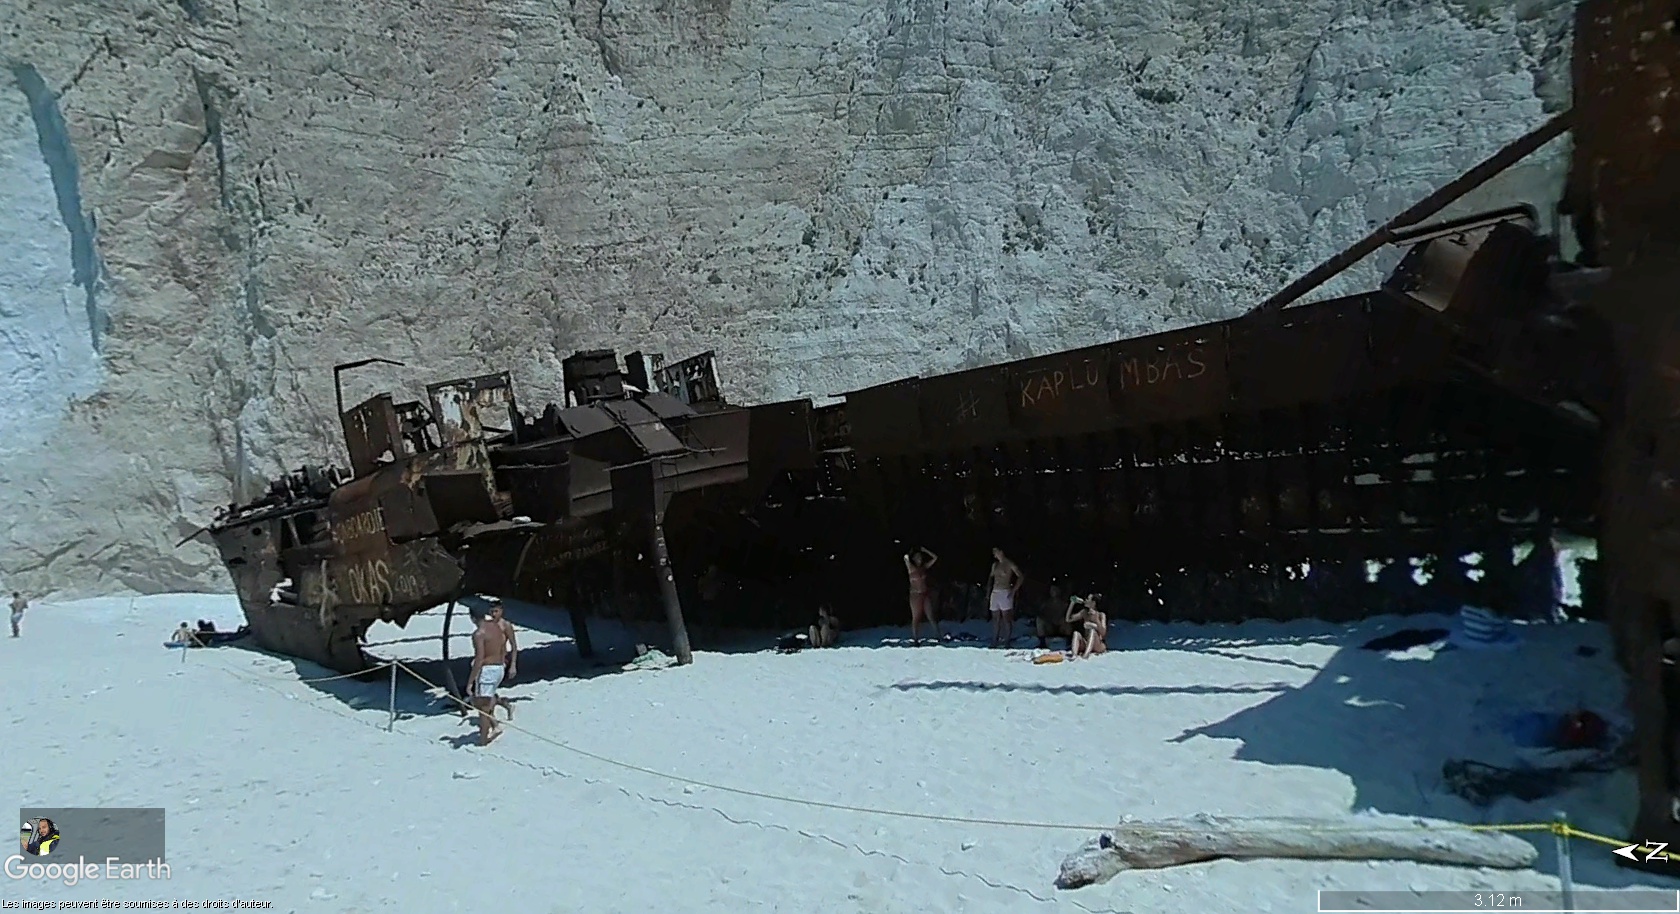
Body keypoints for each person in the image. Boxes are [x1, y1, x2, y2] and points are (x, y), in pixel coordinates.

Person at [468, 601, 517, 746]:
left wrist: (470, 681)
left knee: (482, 706)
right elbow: (503, 646)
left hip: (488, 670)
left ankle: (484, 739)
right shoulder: (496, 627)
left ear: (472, 618)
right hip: (499, 667)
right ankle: (496, 723)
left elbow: (479, 658)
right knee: (484, 701)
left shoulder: (479, 634)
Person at [987, 547, 1024, 648]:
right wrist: (988, 592)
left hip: (1005, 591)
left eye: (996, 552)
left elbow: (1020, 576)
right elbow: (991, 579)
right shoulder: (995, 565)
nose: (995, 554)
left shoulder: (1009, 564)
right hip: (995, 592)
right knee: (995, 618)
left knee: (1006, 618)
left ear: (1001, 552)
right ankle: (995, 640)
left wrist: (1014, 590)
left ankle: (1007, 641)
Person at [904, 547, 941, 643]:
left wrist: (925, 550)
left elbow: (935, 558)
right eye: (917, 558)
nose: (919, 559)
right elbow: (905, 557)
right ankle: (916, 639)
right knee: (916, 618)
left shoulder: (924, 567)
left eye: (920, 557)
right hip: (915, 595)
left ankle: (938, 636)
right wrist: (910, 551)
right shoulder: (911, 568)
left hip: (924, 594)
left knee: (931, 615)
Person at [1067, 594, 1108, 660]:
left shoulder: (1101, 615)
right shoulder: (1084, 612)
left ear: (1093, 603)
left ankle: (1085, 655)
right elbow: (1068, 619)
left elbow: (1103, 633)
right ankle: (1074, 655)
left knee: (1092, 631)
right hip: (1087, 642)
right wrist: (1072, 603)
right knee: (1076, 633)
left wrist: (1096, 620)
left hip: (1098, 644)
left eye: (1088, 599)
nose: (1085, 600)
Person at [1036, 582, 1071, 649]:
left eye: (1055, 589)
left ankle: (1068, 642)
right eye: (1052, 590)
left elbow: (1068, 616)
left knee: (1067, 621)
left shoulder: (1064, 603)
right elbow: (1041, 614)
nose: (1053, 591)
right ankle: (1042, 643)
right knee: (1039, 620)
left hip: (1061, 627)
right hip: (1050, 626)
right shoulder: (1046, 604)